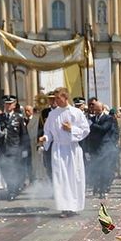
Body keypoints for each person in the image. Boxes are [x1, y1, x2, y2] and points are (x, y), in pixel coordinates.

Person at [39, 87, 90, 215]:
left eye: (58, 98)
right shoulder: (52, 114)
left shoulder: (76, 112)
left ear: (65, 98)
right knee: (60, 178)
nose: (55, 101)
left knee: (73, 178)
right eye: (54, 98)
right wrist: (45, 138)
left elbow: (85, 130)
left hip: (72, 149)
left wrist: (71, 129)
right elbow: (48, 132)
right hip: (58, 150)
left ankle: (73, 206)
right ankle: (64, 206)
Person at [0, 95, 30, 201]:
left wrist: (25, 149)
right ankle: (11, 188)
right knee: (5, 170)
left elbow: (24, 134)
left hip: (15, 149)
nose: (8, 106)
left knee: (14, 170)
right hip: (3, 149)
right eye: (6, 103)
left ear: (14, 105)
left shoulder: (18, 118)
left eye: (10, 104)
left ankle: (12, 191)